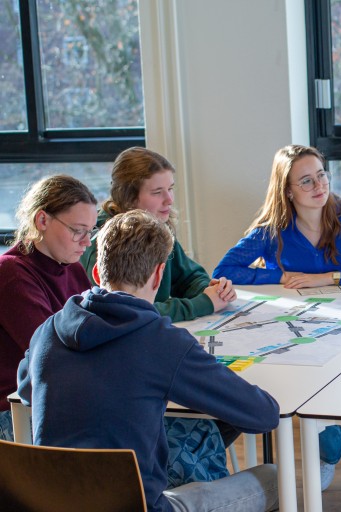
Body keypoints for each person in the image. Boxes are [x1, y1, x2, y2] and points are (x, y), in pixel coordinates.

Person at [17, 210, 280, 512]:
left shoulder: (49, 330)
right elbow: (264, 416)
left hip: (52, 503)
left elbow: (26, 390)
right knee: (274, 478)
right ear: (158, 275)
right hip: (139, 505)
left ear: (97, 274)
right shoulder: (161, 342)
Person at [214, 144, 341, 491]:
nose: (319, 186)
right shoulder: (274, 228)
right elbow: (225, 270)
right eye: (306, 181)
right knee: (322, 420)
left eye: (322, 175)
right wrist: (280, 276)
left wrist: (328, 278)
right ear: (288, 190)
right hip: (305, 332)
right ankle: (326, 456)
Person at [80, 146, 239, 487]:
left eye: (171, 190)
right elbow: (130, 306)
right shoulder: (108, 241)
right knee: (228, 407)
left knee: (224, 411)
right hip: (135, 368)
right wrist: (203, 304)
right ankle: (181, 471)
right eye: (157, 192)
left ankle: (182, 468)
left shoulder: (158, 229)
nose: (169, 201)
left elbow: (189, 275)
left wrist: (210, 287)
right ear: (128, 198)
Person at [0, 175, 97, 441]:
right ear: (42, 220)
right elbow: (54, 354)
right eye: (78, 230)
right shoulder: (11, 273)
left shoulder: (73, 268)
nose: (87, 242)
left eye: (91, 231)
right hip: (18, 410)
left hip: (61, 396)